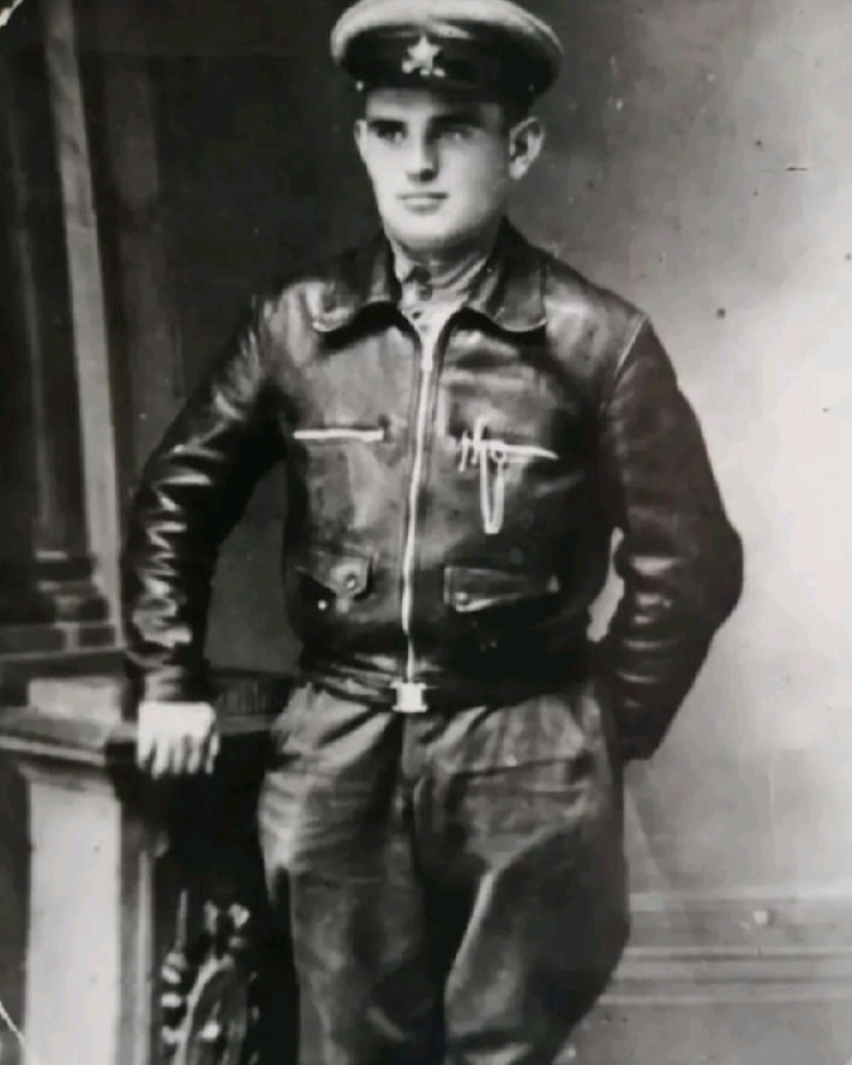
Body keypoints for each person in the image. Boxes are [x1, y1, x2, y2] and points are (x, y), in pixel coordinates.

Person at [122, 1, 744, 1061]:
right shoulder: (297, 325)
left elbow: (690, 563)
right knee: (355, 1047)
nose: (418, 164)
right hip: (339, 747)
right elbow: (179, 493)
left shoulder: (599, 342)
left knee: (507, 1047)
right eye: (391, 130)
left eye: (453, 129)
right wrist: (167, 676)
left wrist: (602, 729)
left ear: (520, 146)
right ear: (362, 142)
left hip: (528, 755)